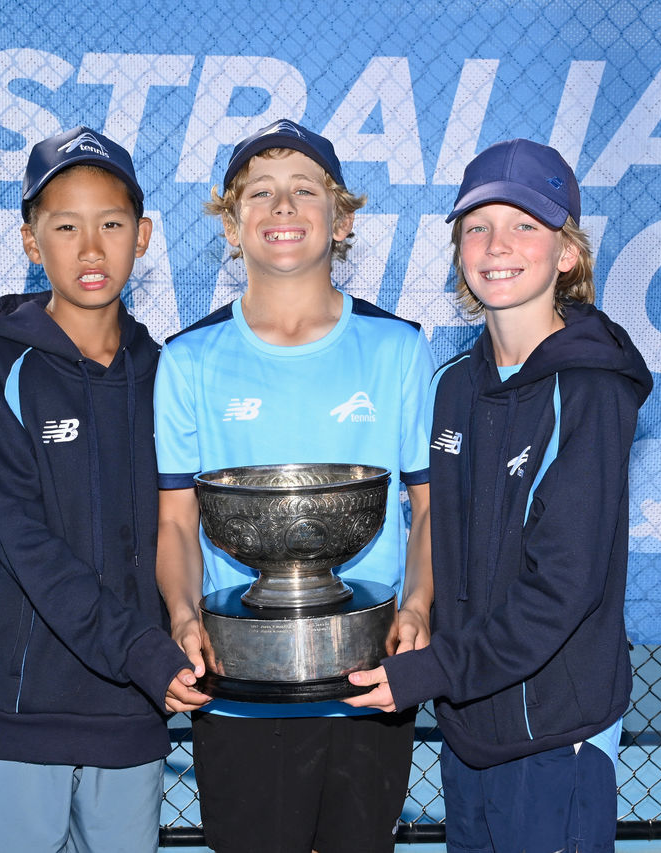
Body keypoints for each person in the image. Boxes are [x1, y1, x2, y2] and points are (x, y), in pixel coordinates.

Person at [344, 138, 653, 853]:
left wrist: (432, 670)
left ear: (567, 253)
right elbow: (440, 539)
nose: (497, 245)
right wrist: (416, 614)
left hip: (554, 730)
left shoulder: (591, 391)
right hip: (468, 722)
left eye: (524, 225)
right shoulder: (452, 384)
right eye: (477, 226)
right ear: (459, 249)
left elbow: (563, 588)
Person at [153, 118, 434, 853]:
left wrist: (416, 606)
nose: (283, 206)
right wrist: (183, 616)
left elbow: (430, 508)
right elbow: (177, 521)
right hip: (240, 685)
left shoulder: (399, 348)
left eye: (305, 190)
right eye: (261, 193)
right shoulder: (187, 360)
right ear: (232, 225)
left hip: (368, 679)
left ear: (341, 221)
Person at [0, 126, 193, 853]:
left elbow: (181, 528)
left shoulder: (167, 374)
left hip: (132, 708)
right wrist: (140, 649)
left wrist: (179, 634)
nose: (91, 249)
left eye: (111, 225)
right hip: (22, 709)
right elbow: (22, 539)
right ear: (31, 242)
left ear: (143, 236)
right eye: (65, 227)